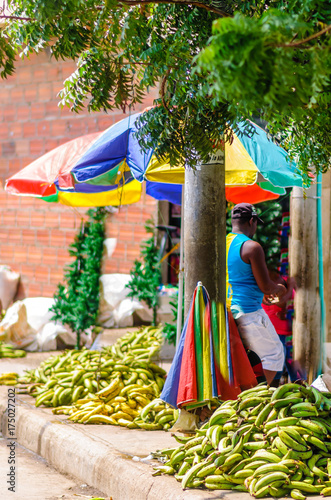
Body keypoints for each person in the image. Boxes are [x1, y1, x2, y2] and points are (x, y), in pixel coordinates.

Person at [226, 202, 287, 384]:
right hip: (248, 311)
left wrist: (261, 295)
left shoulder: (224, 242)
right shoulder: (252, 247)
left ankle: (249, 391)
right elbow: (267, 287)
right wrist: (280, 289)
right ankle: (257, 397)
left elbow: (237, 277)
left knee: (249, 357)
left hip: (229, 308)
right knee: (274, 355)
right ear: (252, 221)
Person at [262, 270, 297, 383]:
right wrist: (290, 287)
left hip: (288, 331)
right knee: (277, 364)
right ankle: (272, 388)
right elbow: (279, 302)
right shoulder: (266, 285)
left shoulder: (284, 281)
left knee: (291, 364)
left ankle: (300, 384)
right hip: (274, 331)